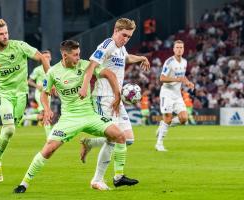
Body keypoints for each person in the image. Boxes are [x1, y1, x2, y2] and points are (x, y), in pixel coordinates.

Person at [13, 40, 138, 193]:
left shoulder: (85, 65)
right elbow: (44, 95)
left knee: (120, 135)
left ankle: (118, 177)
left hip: (90, 115)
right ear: (65, 55)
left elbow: (109, 74)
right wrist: (46, 109)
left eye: (79, 54)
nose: (79, 57)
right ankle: (23, 184)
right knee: (49, 149)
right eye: (75, 55)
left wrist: (117, 96)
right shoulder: (53, 72)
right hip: (69, 118)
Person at [78, 18, 150, 190]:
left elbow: (126, 57)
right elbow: (91, 66)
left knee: (128, 139)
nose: (126, 39)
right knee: (114, 139)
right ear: (116, 31)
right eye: (124, 35)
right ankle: (100, 179)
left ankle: (89, 143)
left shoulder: (120, 48)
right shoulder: (107, 45)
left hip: (117, 98)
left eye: (129, 37)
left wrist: (140, 57)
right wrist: (84, 86)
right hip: (103, 97)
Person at [0, 19, 50, 184]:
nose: (5, 36)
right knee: (10, 129)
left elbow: (42, 58)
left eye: (6, 32)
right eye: (1, 34)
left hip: (21, 94)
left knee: (11, 129)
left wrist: (49, 82)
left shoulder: (20, 46)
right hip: (4, 94)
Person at [155, 40, 194, 152]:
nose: (179, 49)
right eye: (177, 47)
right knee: (168, 117)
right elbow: (162, 78)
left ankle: (163, 126)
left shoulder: (185, 62)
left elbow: (182, 76)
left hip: (177, 95)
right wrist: (176, 79)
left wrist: (187, 82)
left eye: (181, 47)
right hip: (167, 93)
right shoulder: (169, 62)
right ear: (173, 49)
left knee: (184, 118)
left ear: (183, 49)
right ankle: (159, 144)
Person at [19, 50, 52, 136]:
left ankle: (24, 117)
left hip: (48, 94)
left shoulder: (52, 69)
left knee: (43, 116)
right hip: (40, 94)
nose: (47, 58)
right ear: (41, 59)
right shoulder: (37, 69)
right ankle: (49, 137)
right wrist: (37, 86)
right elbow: (29, 81)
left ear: (51, 58)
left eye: (48, 57)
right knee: (46, 113)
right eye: (45, 57)